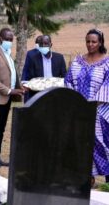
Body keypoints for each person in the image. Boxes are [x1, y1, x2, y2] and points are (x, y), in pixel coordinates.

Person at [65, 28, 109, 184]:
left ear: (100, 42)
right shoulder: (77, 61)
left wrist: (92, 104)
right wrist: (77, 103)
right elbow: (68, 81)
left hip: (100, 114)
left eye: (94, 42)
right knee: (80, 145)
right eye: (88, 41)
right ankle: (86, 180)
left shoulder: (107, 62)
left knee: (103, 146)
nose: (90, 45)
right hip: (78, 113)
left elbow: (107, 85)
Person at [0, 28, 24, 168]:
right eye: (7, 39)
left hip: (6, 98)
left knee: (1, 129)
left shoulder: (7, 55)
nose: (9, 42)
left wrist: (19, 87)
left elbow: (12, 74)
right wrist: (8, 90)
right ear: (0, 38)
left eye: (11, 39)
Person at [23, 35, 67, 100]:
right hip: (38, 95)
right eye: (41, 44)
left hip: (55, 94)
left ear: (50, 44)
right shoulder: (33, 59)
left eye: (46, 43)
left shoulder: (59, 58)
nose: (43, 45)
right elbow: (30, 77)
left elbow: (64, 77)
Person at [21, 35, 42, 103]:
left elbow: (25, 69)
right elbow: (26, 68)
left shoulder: (46, 54)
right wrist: (24, 82)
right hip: (32, 82)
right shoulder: (30, 54)